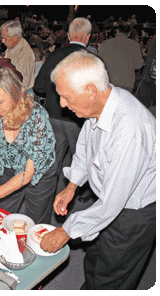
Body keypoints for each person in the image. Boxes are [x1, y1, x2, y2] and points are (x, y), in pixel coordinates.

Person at [40, 50, 156, 290]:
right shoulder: (101, 104)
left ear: (91, 90)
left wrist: (66, 232)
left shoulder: (129, 130)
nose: (62, 104)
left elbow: (113, 203)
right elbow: (85, 149)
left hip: (134, 211)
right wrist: (72, 186)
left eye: (66, 97)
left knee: (113, 274)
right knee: (94, 259)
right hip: (109, 199)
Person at [0, 67, 56, 225]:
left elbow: (30, 171)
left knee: (36, 222)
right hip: (8, 168)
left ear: (15, 94)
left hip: (39, 174)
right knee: (1, 215)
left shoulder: (37, 116)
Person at [34, 17, 93, 201]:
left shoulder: (55, 55)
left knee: (53, 160)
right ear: (88, 37)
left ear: (68, 35)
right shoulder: (91, 60)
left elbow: (39, 87)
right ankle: (80, 194)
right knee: (82, 157)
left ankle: (46, 193)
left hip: (53, 115)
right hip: (78, 120)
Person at [98, 24, 144, 92]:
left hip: (108, 82)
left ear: (117, 31)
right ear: (129, 33)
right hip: (126, 82)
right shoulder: (135, 45)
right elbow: (138, 65)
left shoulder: (105, 43)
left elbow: (99, 62)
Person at [0, 20, 36, 96]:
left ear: (15, 37)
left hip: (20, 94)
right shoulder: (13, 47)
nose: (2, 41)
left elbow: (23, 82)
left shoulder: (24, 53)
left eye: (4, 38)